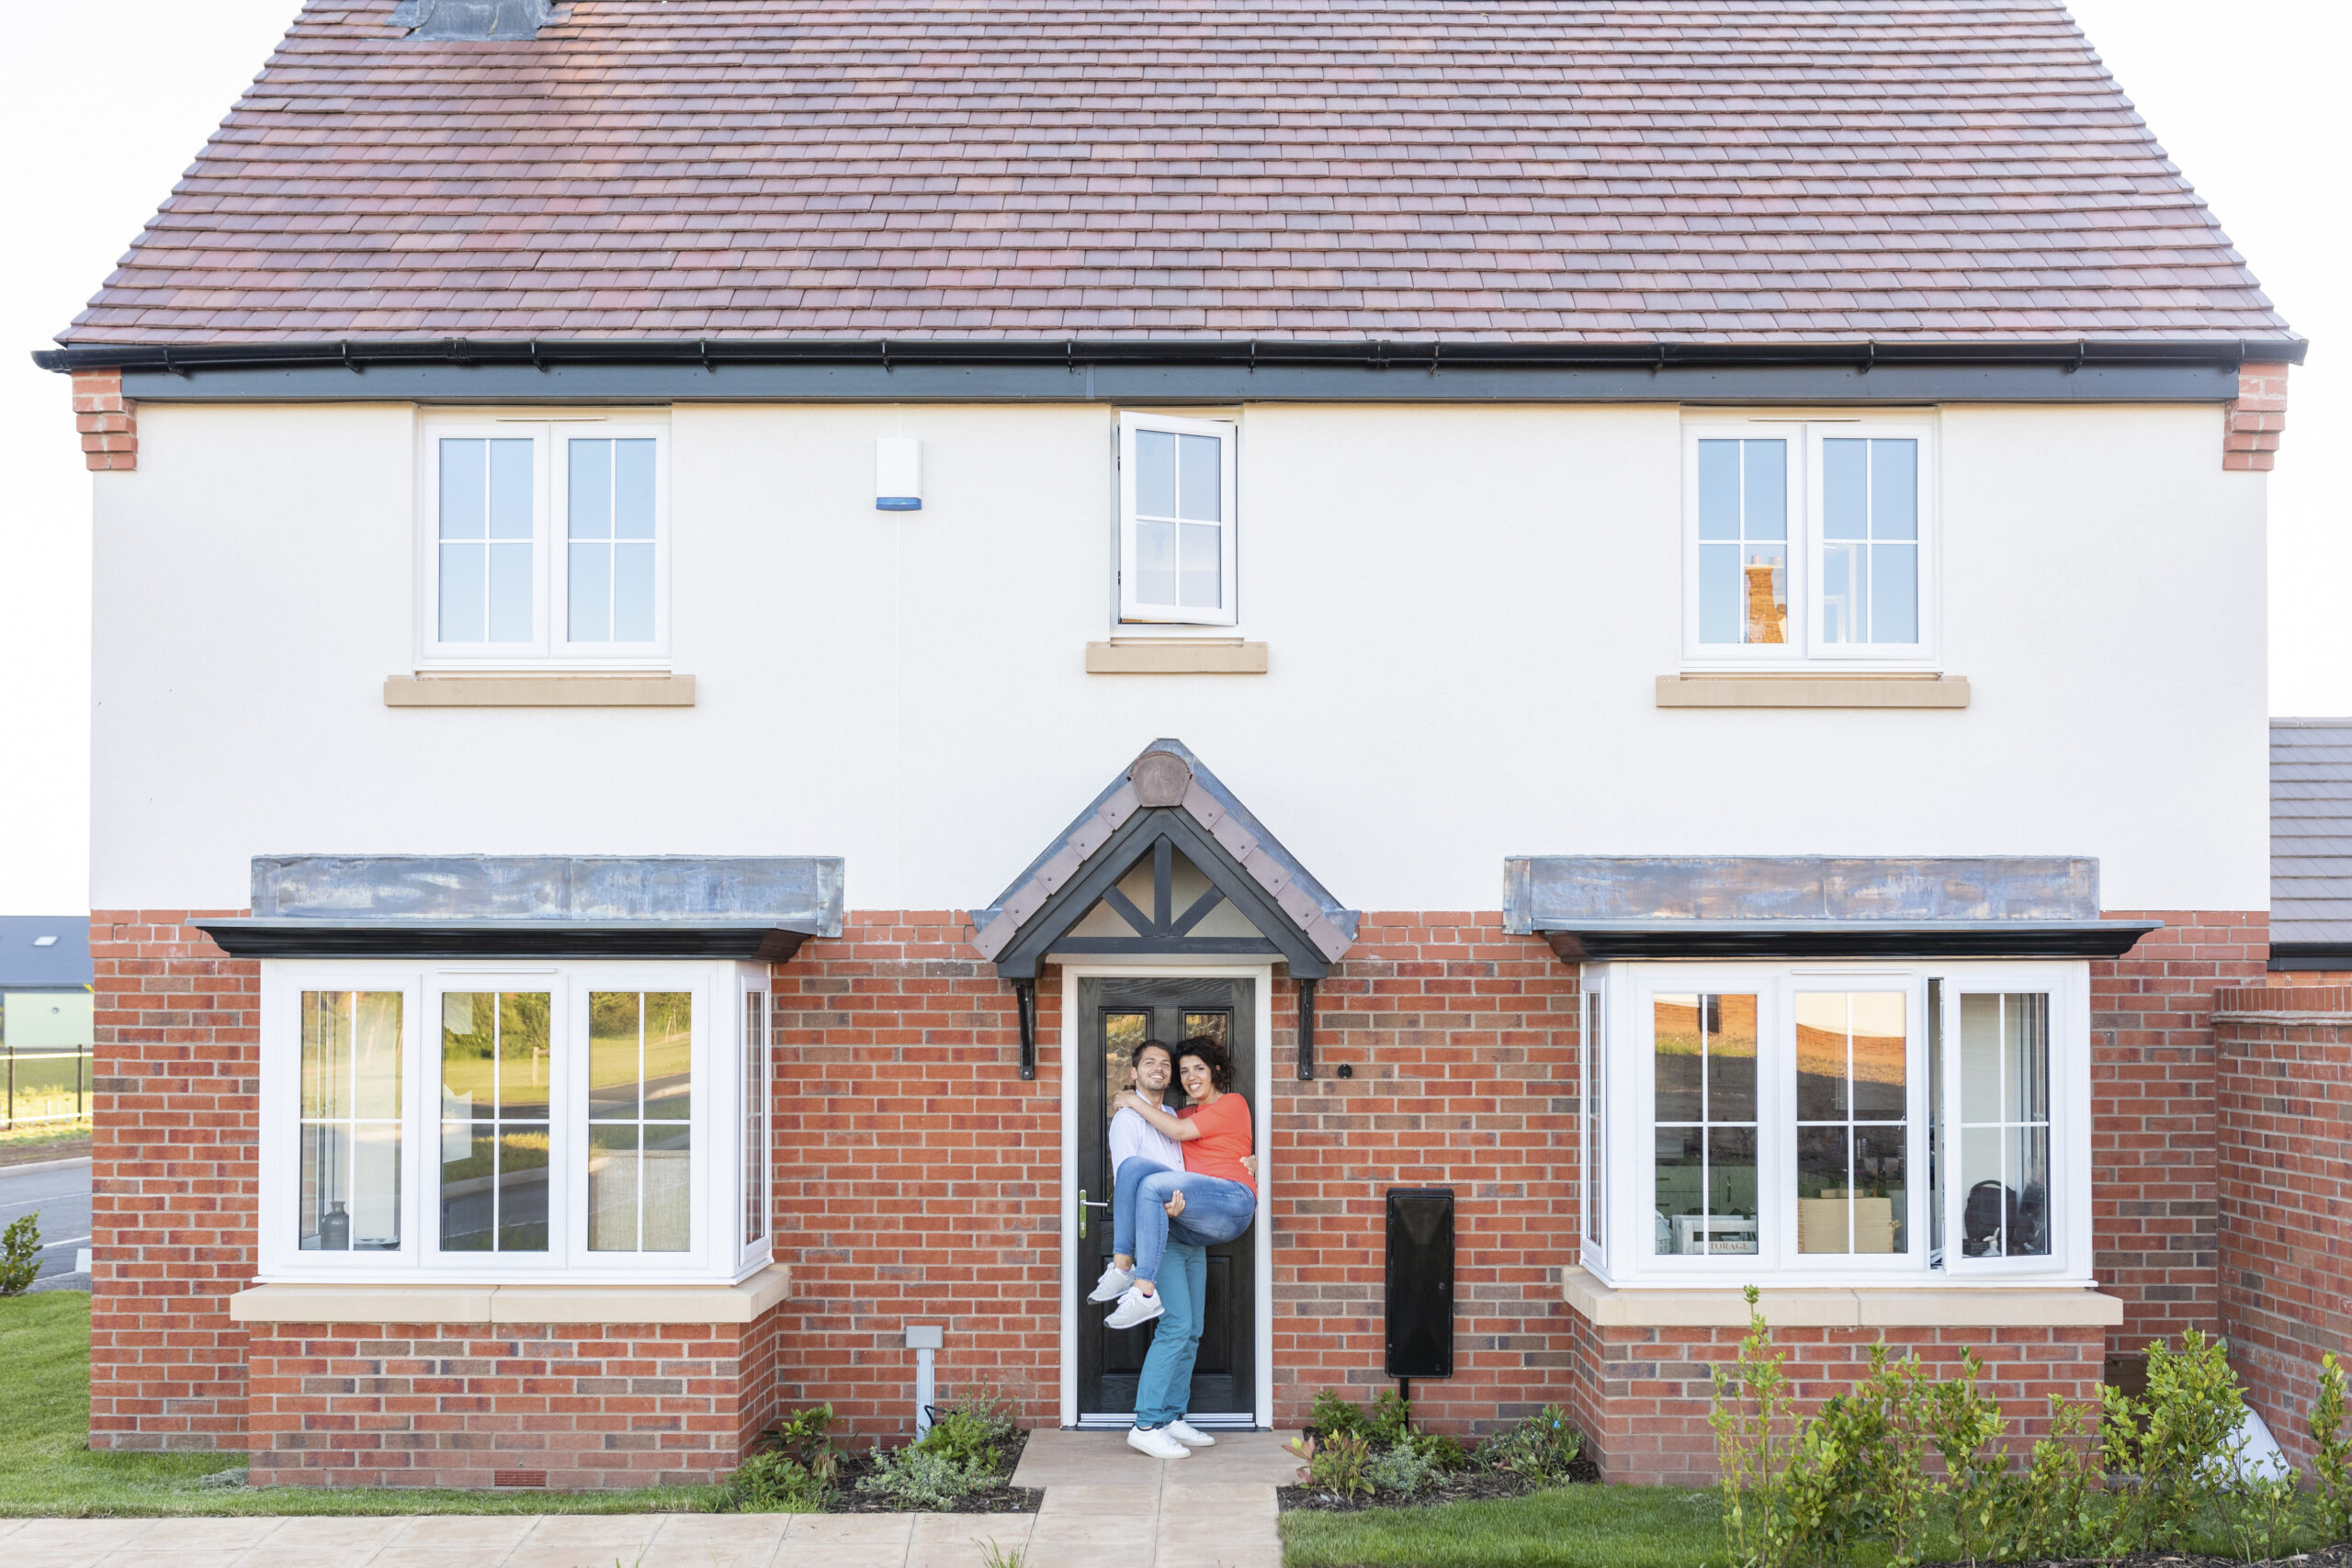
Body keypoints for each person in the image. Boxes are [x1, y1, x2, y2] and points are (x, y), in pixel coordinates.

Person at [1099, 1037, 1223, 1460]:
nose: (1160, 1069)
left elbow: (1198, 1163)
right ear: (1133, 1073)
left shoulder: (1171, 1115)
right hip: (1160, 1240)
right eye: (1149, 1063)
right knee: (1174, 1327)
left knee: (1193, 1330)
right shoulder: (1127, 1120)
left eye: (1165, 1064)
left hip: (1191, 1234)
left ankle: (1171, 1415)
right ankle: (1145, 1422)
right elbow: (1129, 1181)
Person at [1096, 1037, 1257, 1336]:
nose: (1191, 1077)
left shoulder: (1232, 1103)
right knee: (1132, 1169)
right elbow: (1172, 1128)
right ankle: (1122, 1266)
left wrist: (1132, 1099)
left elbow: (1179, 1132)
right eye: (1184, 1071)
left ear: (1215, 1070)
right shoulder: (1177, 1114)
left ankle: (1144, 1290)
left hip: (1232, 1200)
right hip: (1193, 1215)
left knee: (1152, 1187)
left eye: (1199, 1068)